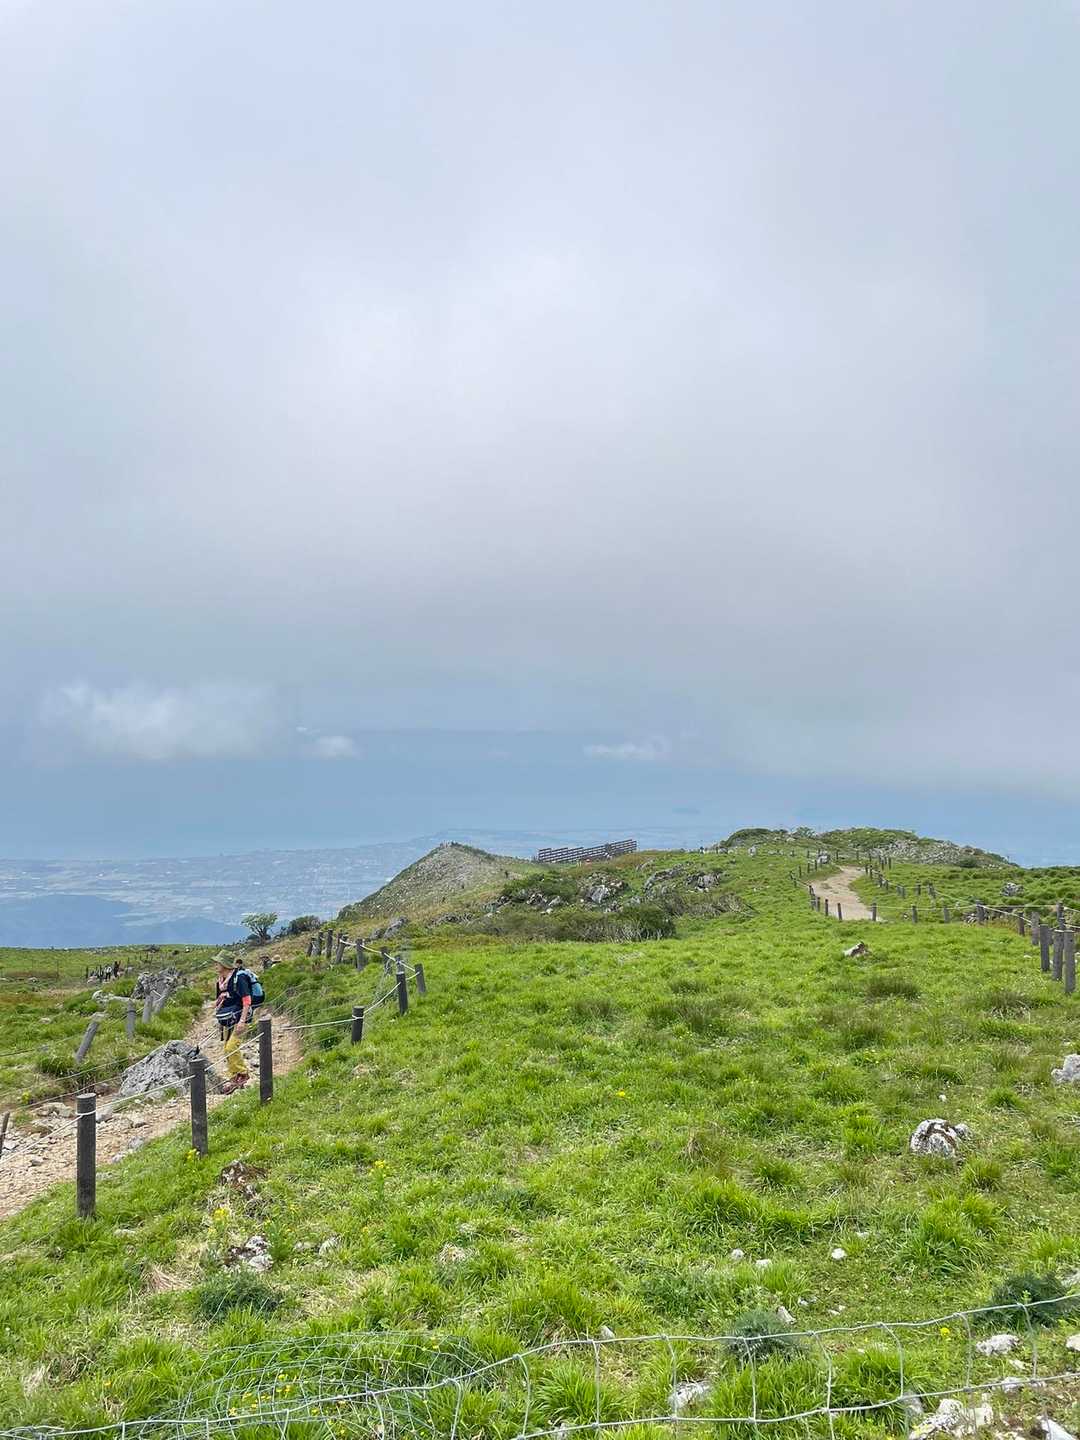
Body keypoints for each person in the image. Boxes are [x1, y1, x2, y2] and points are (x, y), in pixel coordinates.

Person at [214, 953, 254, 1093]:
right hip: (228, 1019)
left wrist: (242, 1021)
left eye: (218, 963)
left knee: (231, 1047)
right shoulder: (220, 982)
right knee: (226, 1049)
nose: (215, 965)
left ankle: (242, 1073)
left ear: (224, 965)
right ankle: (234, 1078)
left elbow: (246, 1000)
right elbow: (223, 1001)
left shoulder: (239, 978)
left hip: (240, 1017)